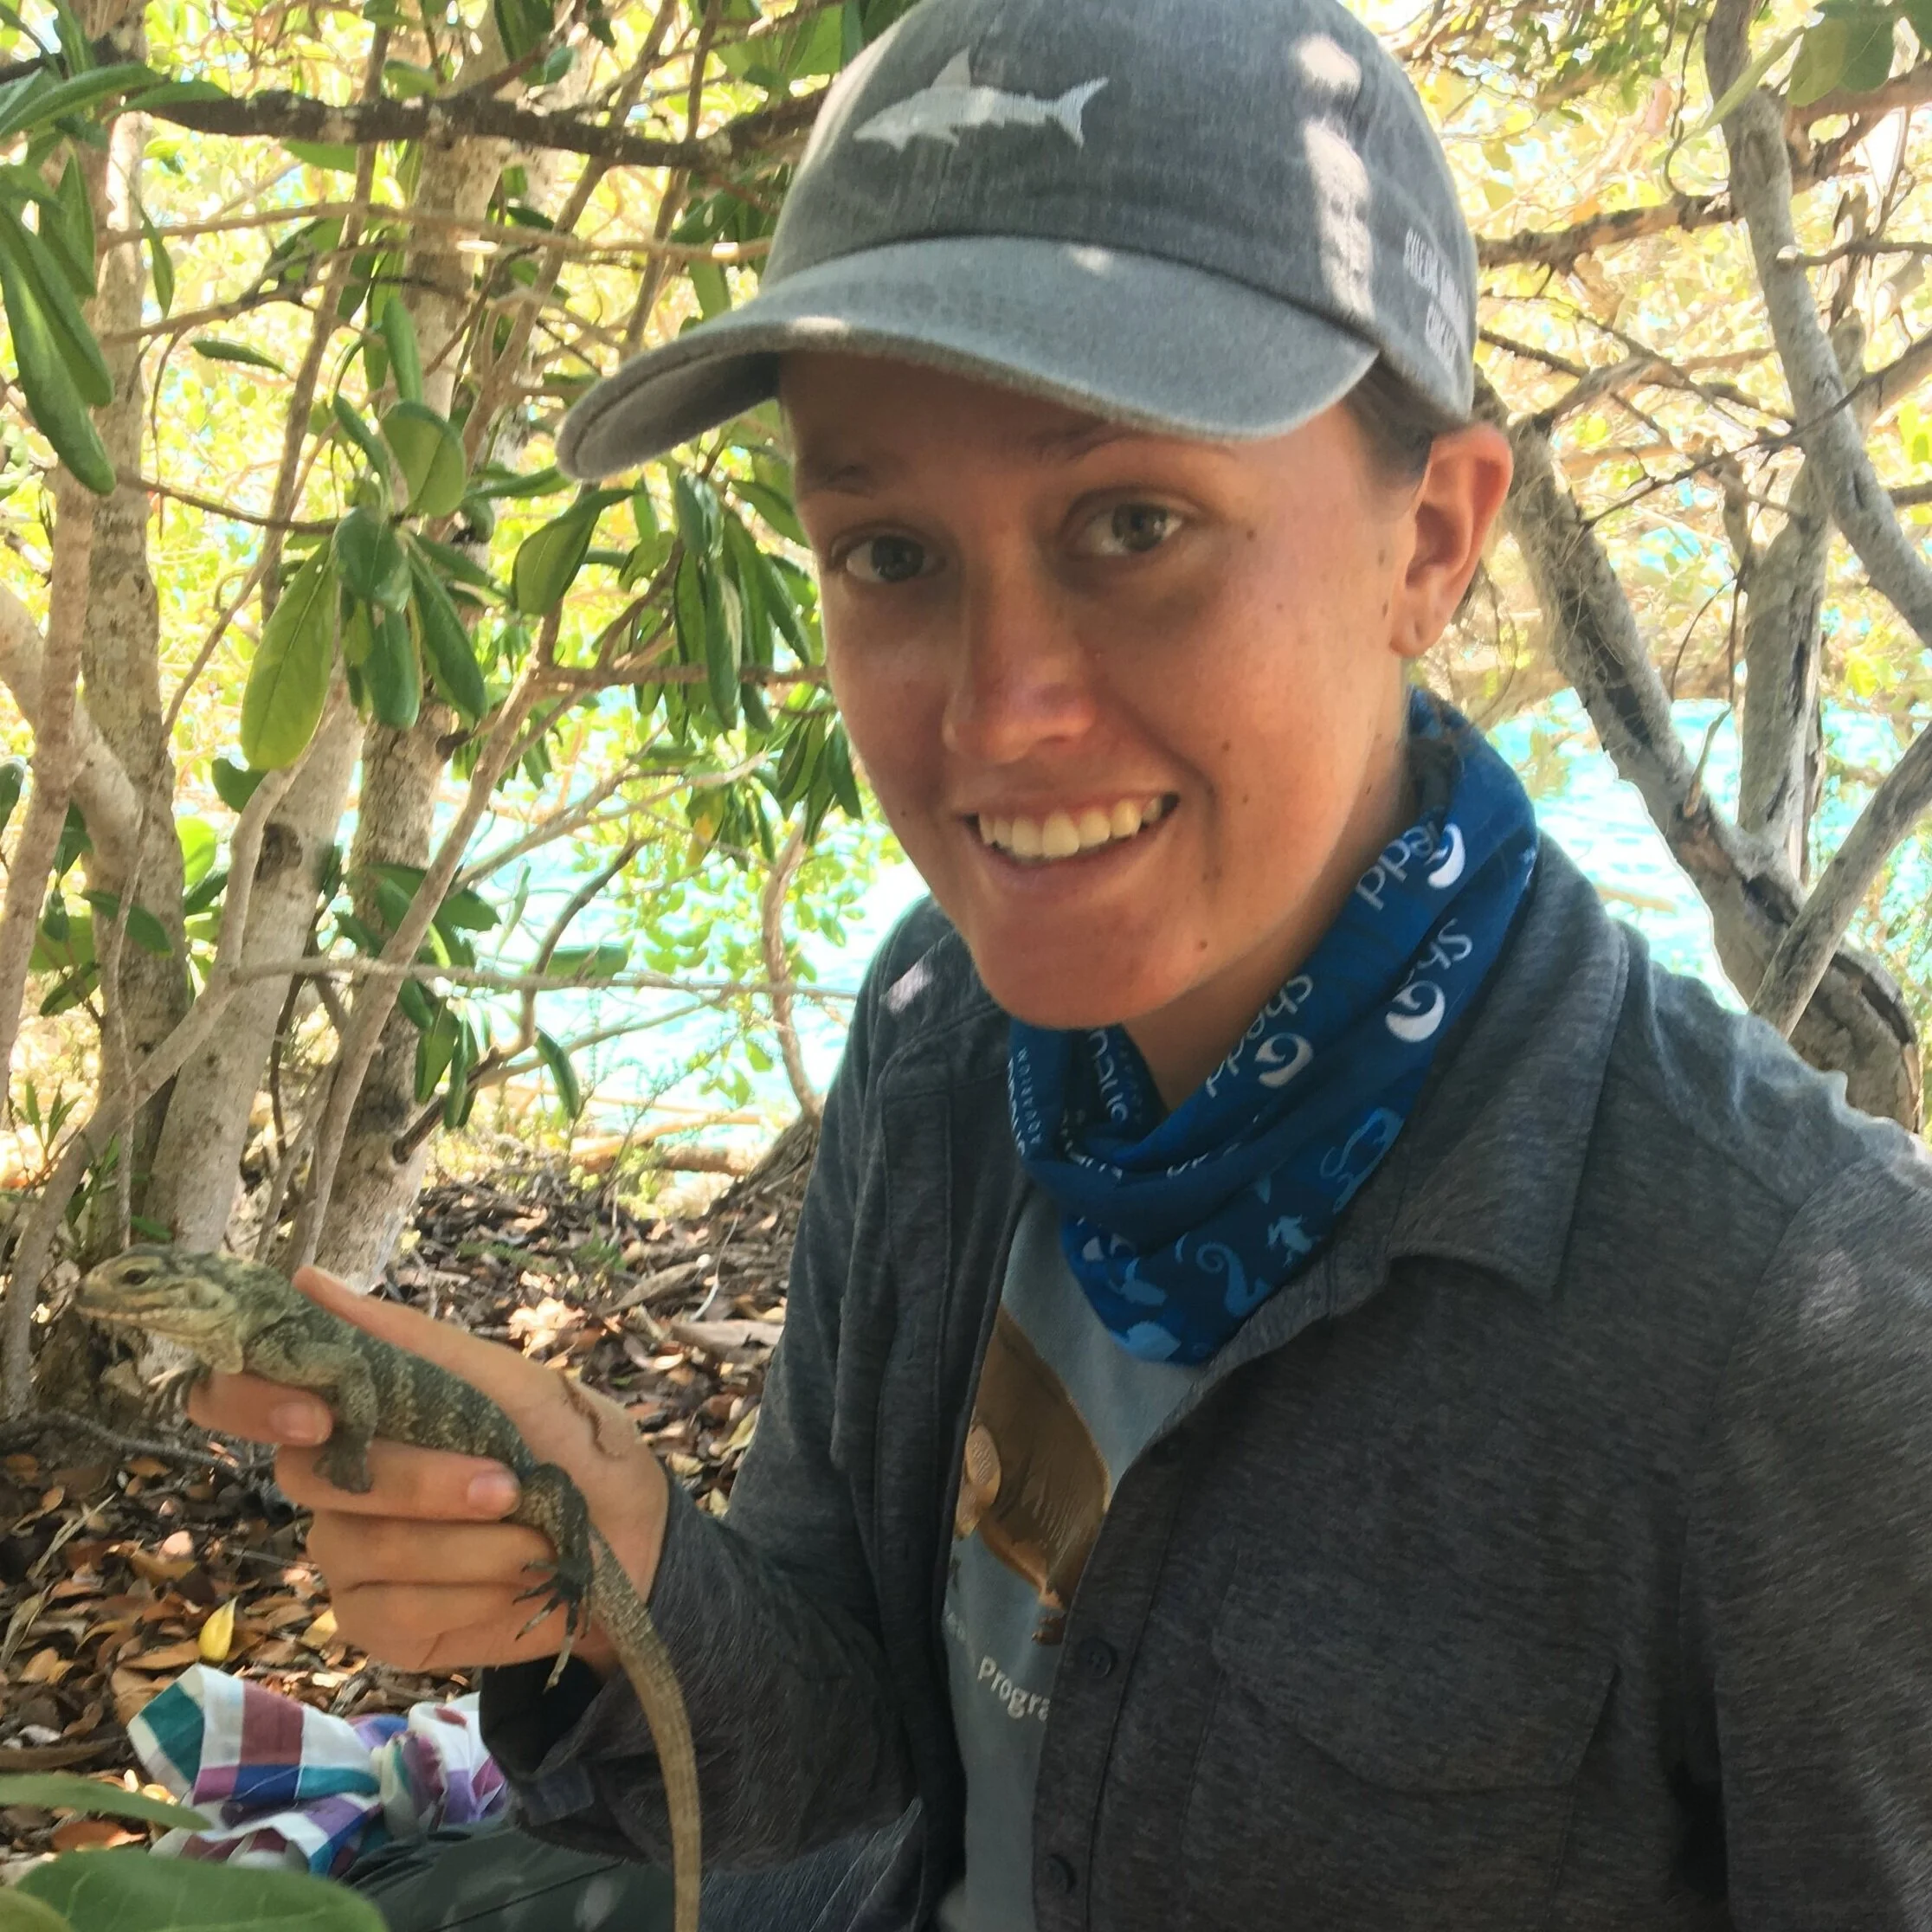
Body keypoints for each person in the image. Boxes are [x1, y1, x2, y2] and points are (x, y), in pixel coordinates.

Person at [192, 0, 1932, 1923]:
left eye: (1132, 523)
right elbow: (858, 1756)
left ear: (1429, 540)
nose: (1001, 717)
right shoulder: (946, 1045)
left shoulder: (1794, 1335)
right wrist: (616, 1574)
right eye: (890, 557)